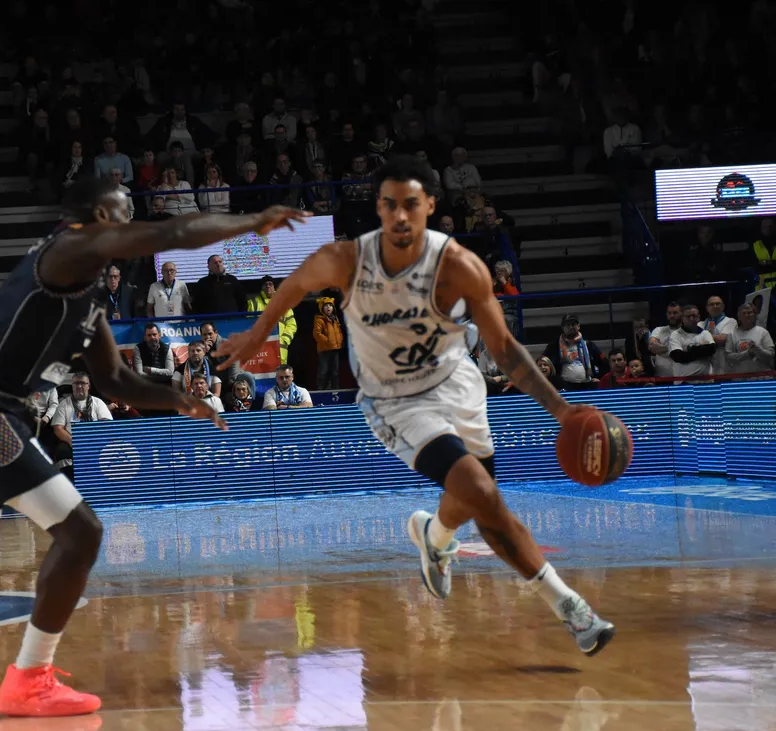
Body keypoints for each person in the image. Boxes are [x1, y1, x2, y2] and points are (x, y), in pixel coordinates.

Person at [0, 178, 307, 717]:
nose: (129, 212)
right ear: (92, 215)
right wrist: (252, 222)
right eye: (120, 205)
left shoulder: (87, 301)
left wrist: (183, 399)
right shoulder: (69, 247)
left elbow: (115, 382)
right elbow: (175, 229)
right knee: (82, 530)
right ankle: (29, 676)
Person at [215, 156, 614, 656]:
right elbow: (293, 285)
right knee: (481, 492)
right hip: (395, 399)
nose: (400, 216)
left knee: (472, 496)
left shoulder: (460, 267)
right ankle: (570, 607)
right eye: (389, 205)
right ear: (378, 210)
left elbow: (506, 348)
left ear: (429, 205)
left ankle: (435, 532)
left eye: (410, 205)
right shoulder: (348, 260)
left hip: (457, 382)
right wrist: (254, 334)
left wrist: (563, 411)